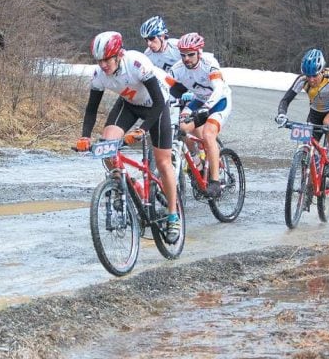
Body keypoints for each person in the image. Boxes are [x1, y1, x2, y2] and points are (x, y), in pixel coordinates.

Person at [76, 31, 181, 244]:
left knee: (162, 162)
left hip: (156, 107)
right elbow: (91, 109)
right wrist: (85, 137)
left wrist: (142, 130)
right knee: (106, 145)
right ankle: (119, 185)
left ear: (118, 55)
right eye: (99, 61)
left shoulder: (136, 64)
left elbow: (160, 102)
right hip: (130, 105)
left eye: (107, 59)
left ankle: (173, 215)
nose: (103, 65)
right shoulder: (99, 74)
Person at [168, 32, 232, 198]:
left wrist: (207, 107)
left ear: (199, 52)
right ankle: (197, 161)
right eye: (183, 55)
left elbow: (218, 89)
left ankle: (216, 182)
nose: (187, 59)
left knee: (208, 134)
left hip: (219, 101)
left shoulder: (209, 63)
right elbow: (164, 88)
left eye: (191, 54)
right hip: (198, 100)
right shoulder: (177, 69)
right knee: (182, 128)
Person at [275, 48, 329, 177]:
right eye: (308, 76)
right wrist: (282, 114)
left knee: (328, 121)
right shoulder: (302, 79)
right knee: (307, 149)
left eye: (314, 75)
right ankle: (311, 183)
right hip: (315, 113)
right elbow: (286, 99)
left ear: (322, 71)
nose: (311, 80)